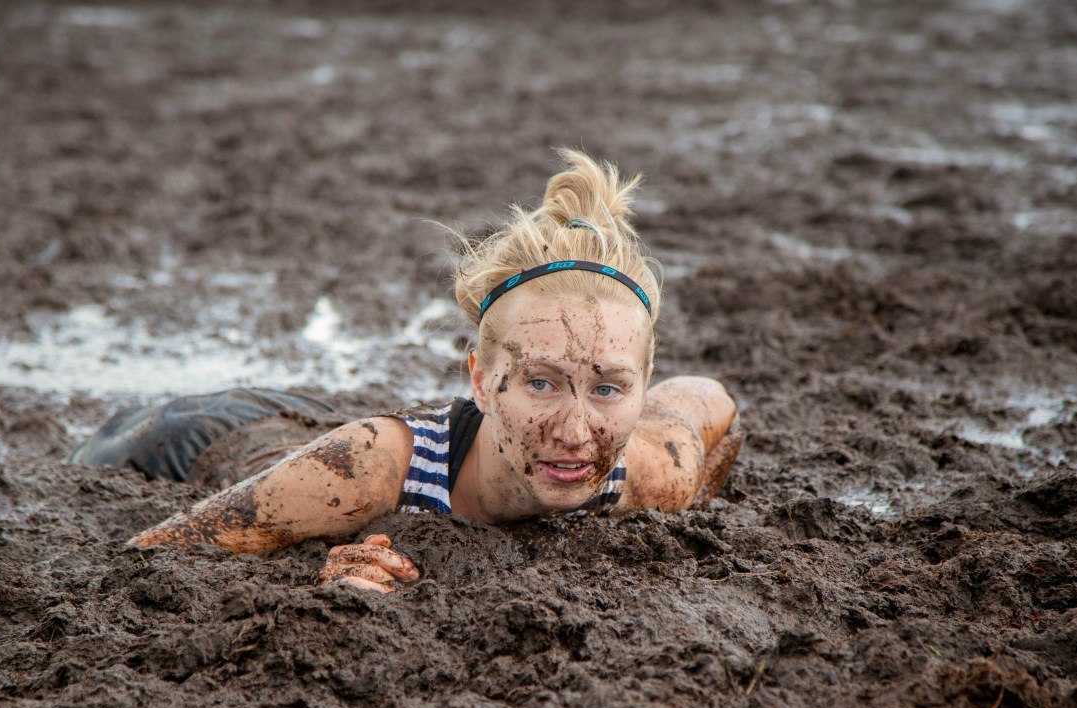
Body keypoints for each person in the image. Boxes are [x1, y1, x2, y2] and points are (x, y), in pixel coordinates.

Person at [126, 150, 743, 592]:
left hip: (313, 420)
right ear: (479, 377)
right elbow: (149, 560)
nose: (577, 433)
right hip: (206, 438)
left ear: (643, 382)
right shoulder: (368, 468)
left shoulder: (650, 473)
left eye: (608, 388)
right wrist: (305, 575)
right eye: (541, 382)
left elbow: (712, 404)